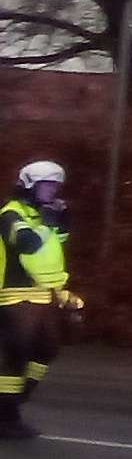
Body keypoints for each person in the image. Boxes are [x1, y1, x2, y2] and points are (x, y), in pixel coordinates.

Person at [0, 161, 73, 441]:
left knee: (47, 349)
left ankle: (16, 399)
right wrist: (48, 224)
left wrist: (61, 224)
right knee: (16, 355)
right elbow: (27, 244)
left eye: (55, 185)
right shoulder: (11, 214)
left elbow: (56, 250)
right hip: (13, 293)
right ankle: (6, 417)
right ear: (29, 185)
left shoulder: (40, 214)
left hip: (42, 293)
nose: (52, 191)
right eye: (46, 185)